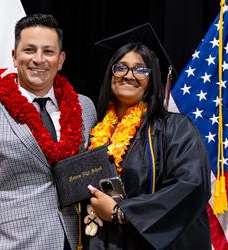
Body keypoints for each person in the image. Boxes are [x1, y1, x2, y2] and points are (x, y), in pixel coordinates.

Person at [0, 14, 97, 249]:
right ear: (14, 57)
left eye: (48, 51)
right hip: (12, 243)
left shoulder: (84, 107)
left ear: (61, 59)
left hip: (77, 240)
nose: (38, 59)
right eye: (29, 50)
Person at [84, 23, 211, 249]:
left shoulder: (175, 128)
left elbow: (190, 185)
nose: (129, 75)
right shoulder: (96, 131)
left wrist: (119, 212)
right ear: (110, 74)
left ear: (152, 79)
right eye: (121, 67)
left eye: (141, 69)